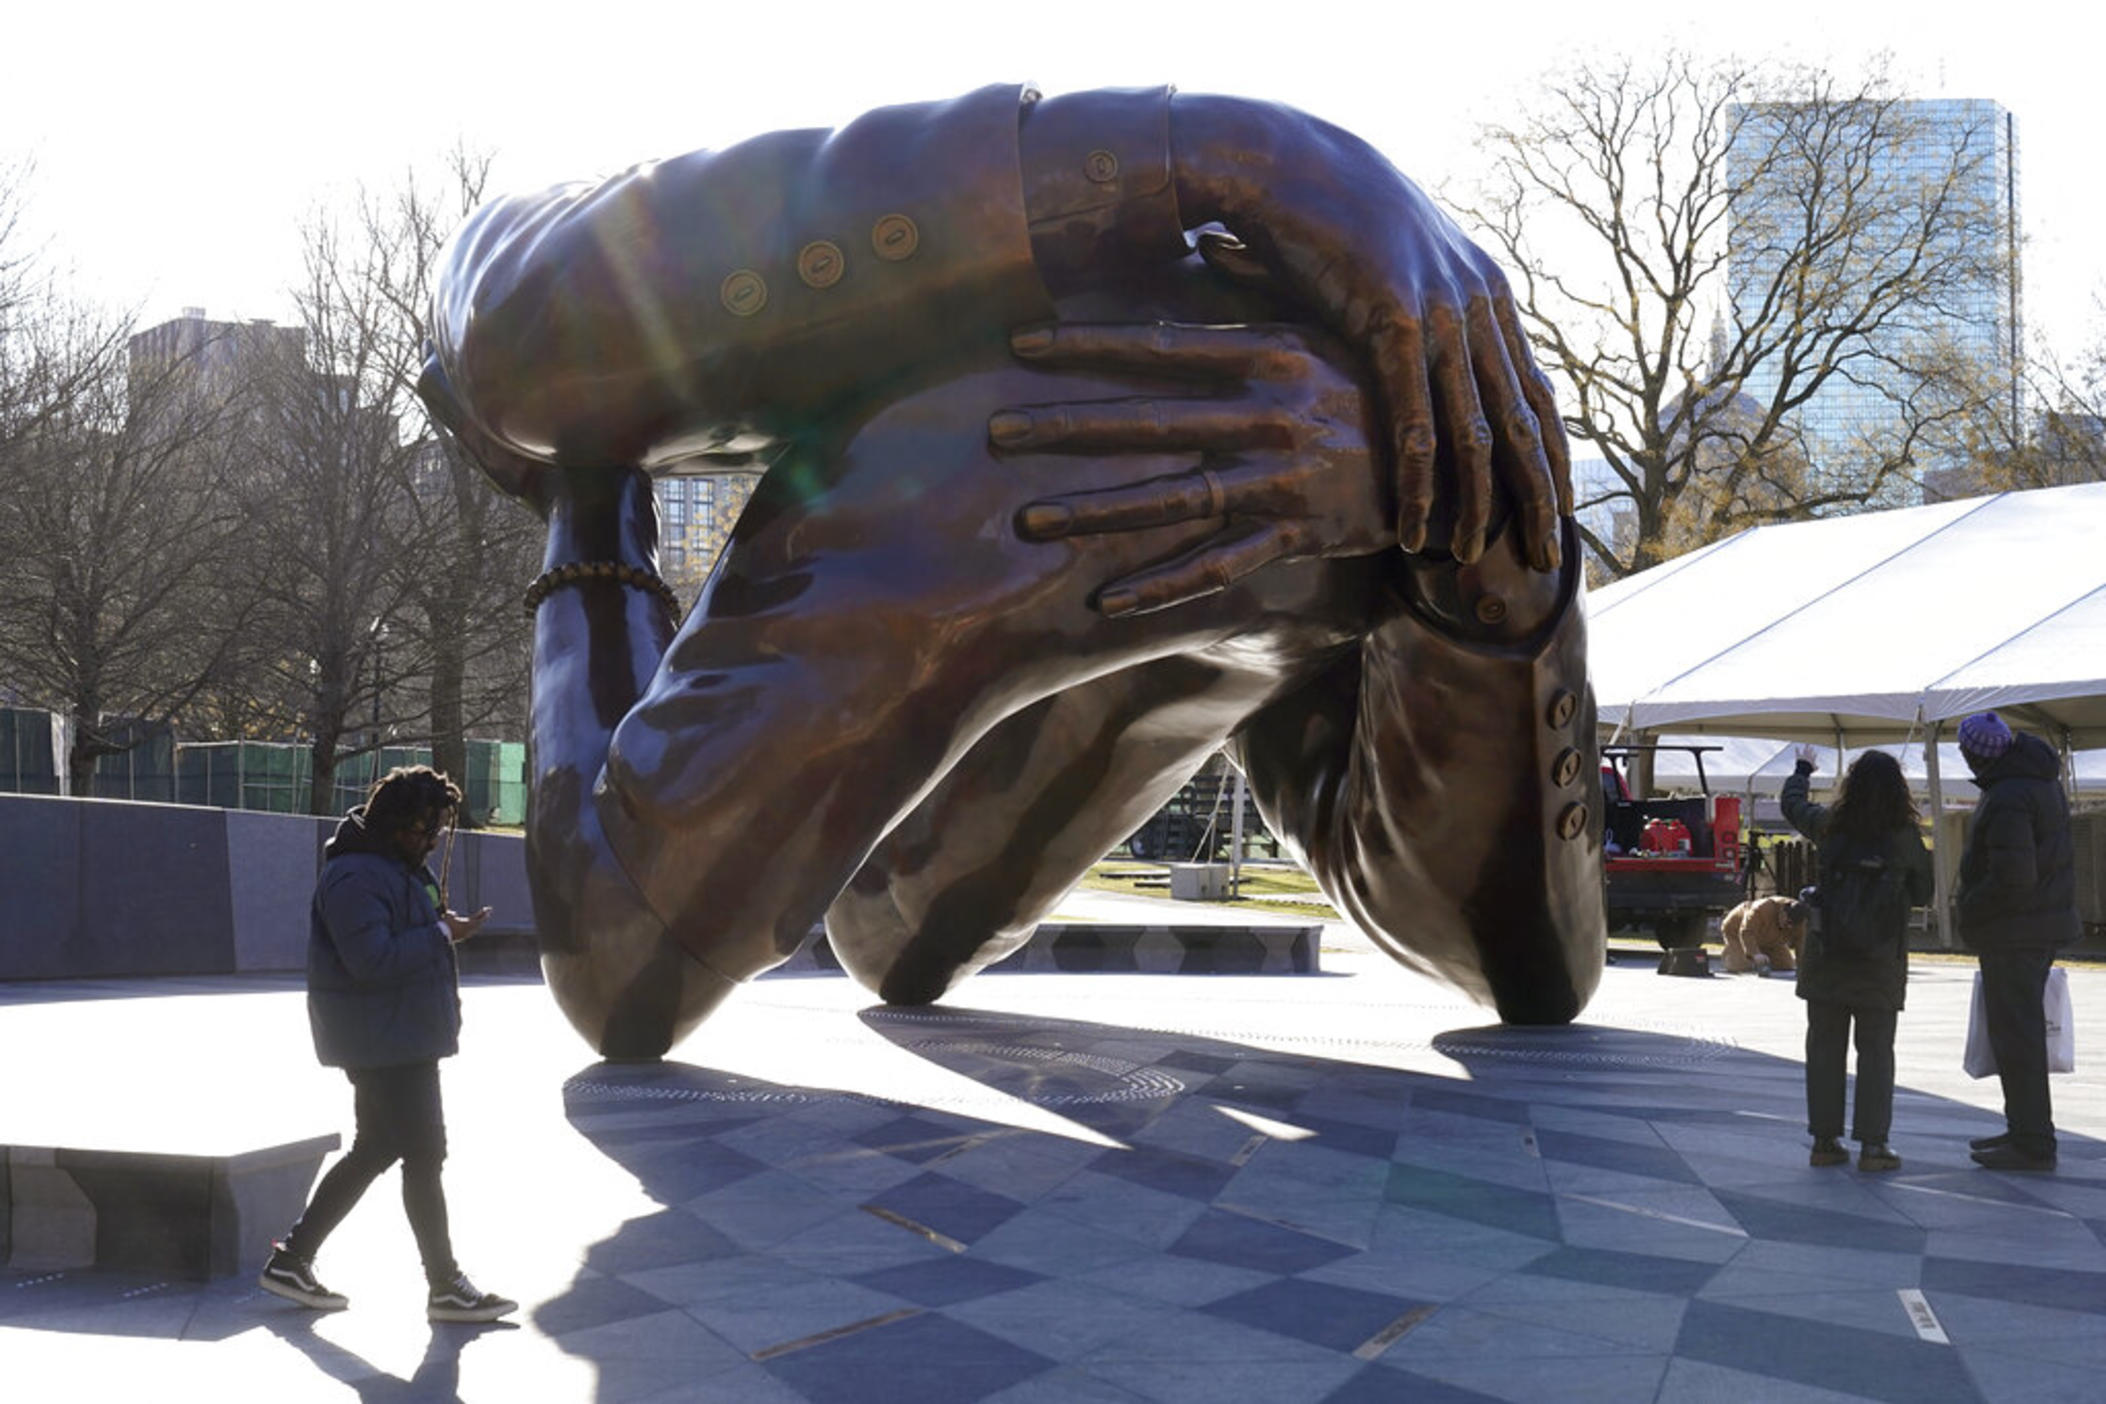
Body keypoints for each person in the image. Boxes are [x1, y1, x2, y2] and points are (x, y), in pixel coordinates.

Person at [419, 85, 1607, 1060]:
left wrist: (1472, 522)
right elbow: (507, 333)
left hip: (1097, 506)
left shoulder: (1337, 447)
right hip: (1014, 464)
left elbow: (1524, 963)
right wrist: (1221, 156)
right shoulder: (924, 427)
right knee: (862, 931)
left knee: (879, 934)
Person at [258, 766, 518, 1323]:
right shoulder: (355, 876)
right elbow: (371, 960)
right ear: (397, 825)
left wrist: (437, 927)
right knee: (424, 1155)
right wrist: (444, 933)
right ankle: (444, 1285)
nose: (432, 841)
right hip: (384, 1041)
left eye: (437, 832)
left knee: (376, 1149)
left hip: (399, 1036)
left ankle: (293, 1258)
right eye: (425, 830)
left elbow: (400, 939)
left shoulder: (395, 870)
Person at [1781, 747, 1931, 1172]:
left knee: (1825, 1050)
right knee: (1877, 1052)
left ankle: (1825, 1143)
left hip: (1828, 955)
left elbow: (1791, 805)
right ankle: (1874, 1146)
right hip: (1881, 961)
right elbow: (1922, 894)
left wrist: (1802, 770)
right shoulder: (1904, 837)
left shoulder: (1831, 826)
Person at [1954, 711, 2078, 1172]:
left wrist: (1969, 907)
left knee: (2018, 1036)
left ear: (1976, 753)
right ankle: (2025, 1129)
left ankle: (2032, 1140)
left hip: (2016, 931)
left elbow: (2013, 877)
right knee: (2018, 1033)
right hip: (2036, 927)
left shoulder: (2008, 795)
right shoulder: (2037, 781)